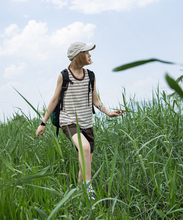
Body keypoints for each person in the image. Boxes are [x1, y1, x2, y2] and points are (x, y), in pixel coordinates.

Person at [36, 42, 124, 199]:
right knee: (84, 148)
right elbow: (55, 99)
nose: (90, 55)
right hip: (68, 120)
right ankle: (89, 190)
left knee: (86, 163)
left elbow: (95, 100)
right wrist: (43, 123)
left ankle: (80, 195)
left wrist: (108, 112)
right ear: (78, 56)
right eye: (87, 52)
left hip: (86, 122)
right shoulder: (64, 75)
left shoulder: (90, 75)